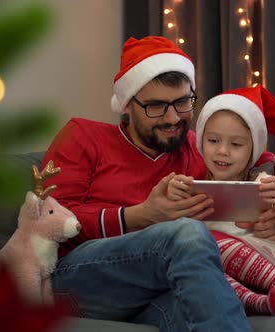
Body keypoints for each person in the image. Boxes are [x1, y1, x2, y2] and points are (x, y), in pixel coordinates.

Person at [41, 36, 252, 332]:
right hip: (75, 281)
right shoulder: (82, 136)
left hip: (152, 291)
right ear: (127, 104)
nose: (172, 118)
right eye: (156, 106)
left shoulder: (198, 147)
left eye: (182, 102)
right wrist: (142, 215)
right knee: (186, 233)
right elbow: (48, 221)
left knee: (200, 305)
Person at [167, 86, 275, 315]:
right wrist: (173, 203)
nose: (223, 151)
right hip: (224, 281)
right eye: (213, 140)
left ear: (253, 149)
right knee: (196, 252)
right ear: (201, 143)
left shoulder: (266, 185)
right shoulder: (192, 189)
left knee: (206, 244)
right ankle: (257, 302)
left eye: (236, 144)